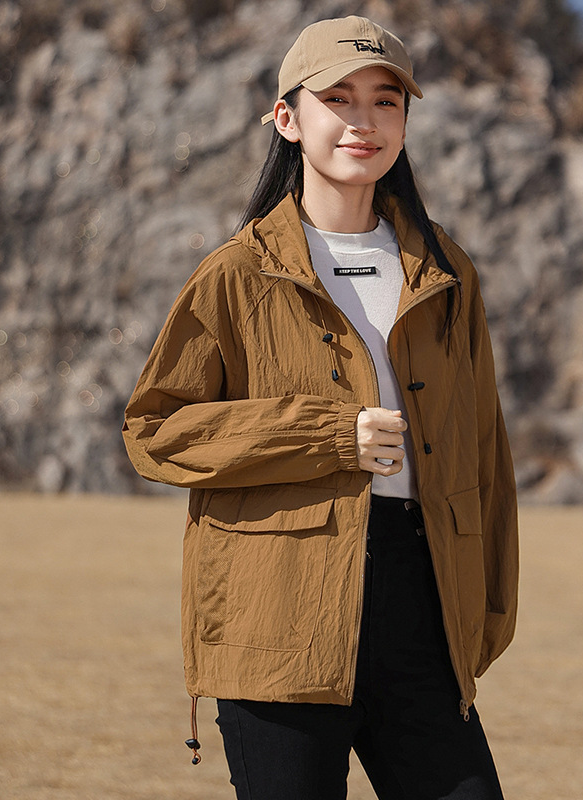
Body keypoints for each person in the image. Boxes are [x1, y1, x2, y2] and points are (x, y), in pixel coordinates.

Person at [122, 15, 518, 800]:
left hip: (422, 604)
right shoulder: (237, 273)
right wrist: (329, 434)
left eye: (385, 101)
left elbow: (485, 450)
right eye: (337, 99)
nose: (363, 120)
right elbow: (155, 431)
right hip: (278, 610)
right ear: (288, 119)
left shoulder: (446, 271)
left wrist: (486, 611)